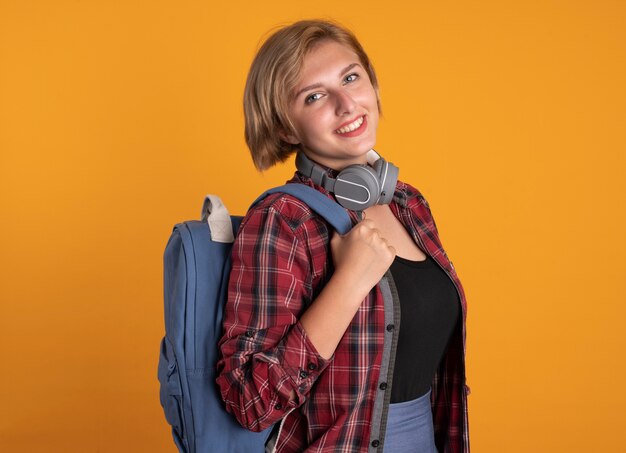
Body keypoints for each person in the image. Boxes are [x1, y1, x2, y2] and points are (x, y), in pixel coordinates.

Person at [216, 19, 469, 452]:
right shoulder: (283, 220)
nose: (346, 103)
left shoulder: (409, 205)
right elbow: (249, 402)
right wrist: (350, 282)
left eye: (350, 78)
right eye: (314, 96)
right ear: (285, 129)